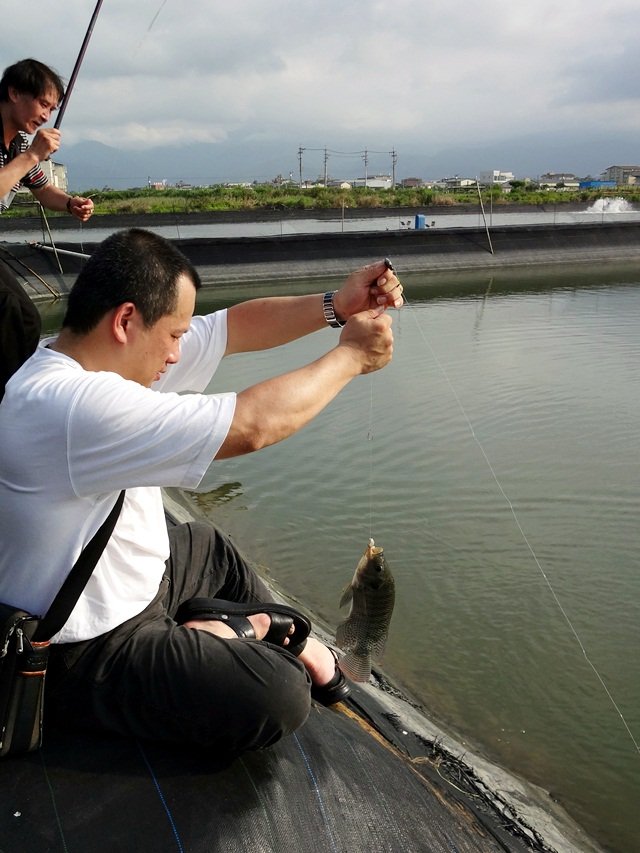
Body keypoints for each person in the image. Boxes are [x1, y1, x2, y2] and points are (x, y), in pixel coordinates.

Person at [0, 228, 403, 755]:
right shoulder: (70, 405)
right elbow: (252, 425)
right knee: (279, 695)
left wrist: (336, 306)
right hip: (86, 646)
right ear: (125, 320)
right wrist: (350, 358)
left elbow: (231, 327)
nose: (177, 353)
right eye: (173, 335)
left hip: (137, 584)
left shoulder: (93, 357)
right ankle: (234, 634)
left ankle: (231, 630)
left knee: (210, 548)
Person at [0, 58, 94, 400]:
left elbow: (42, 189)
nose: (46, 116)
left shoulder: (19, 145)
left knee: (20, 319)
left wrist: (70, 203)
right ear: (13, 92)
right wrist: (32, 156)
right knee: (22, 319)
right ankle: (15, 403)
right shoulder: (24, 151)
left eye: (52, 109)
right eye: (42, 103)